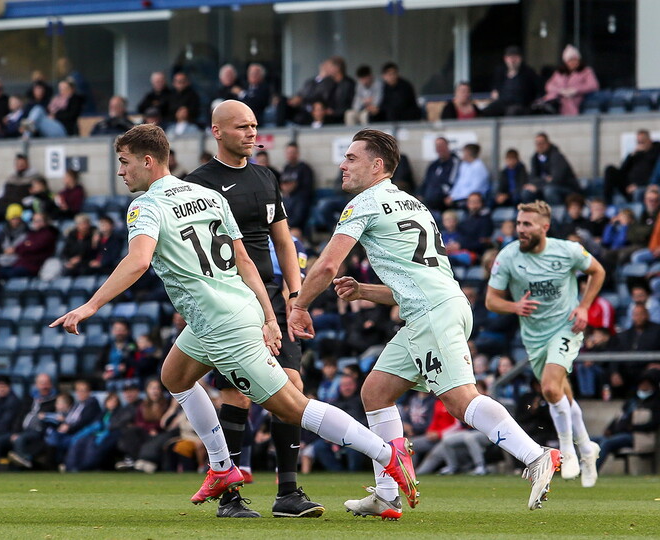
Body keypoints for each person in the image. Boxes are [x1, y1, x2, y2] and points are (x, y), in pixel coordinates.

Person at [51, 124, 419, 515]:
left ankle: (388, 453)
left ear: (147, 161)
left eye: (124, 162)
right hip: (231, 309)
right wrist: (268, 316)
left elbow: (138, 261)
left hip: (222, 325)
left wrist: (90, 305)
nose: (121, 171)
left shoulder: (146, 206)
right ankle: (222, 468)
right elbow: (244, 260)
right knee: (174, 376)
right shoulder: (207, 195)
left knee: (293, 407)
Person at [288, 129, 561, 519]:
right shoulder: (413, 203)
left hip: (432, 313)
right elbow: (414, 281)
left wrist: (299, 304)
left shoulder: (364, 202)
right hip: (439, 306)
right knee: (375, 392)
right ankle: (387, 496)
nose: (342, 165)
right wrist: (364, 291)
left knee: (460, 399)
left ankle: (535, 455)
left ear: (376, 165)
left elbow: (328, 265)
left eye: (351, 158)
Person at [184, 100, 322, 518]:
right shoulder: (198, 184)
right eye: (242, 127)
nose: (251, 134)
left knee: (292, 385)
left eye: (254, 126)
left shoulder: (265, 177)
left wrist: (295, 296)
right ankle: (229, 496)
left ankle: (288, 494)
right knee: (237, 394)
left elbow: (283, 240)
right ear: (217, 131)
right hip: (230, 301)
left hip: (273, 297)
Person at [485, 200, 607, 488]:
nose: (521, 229)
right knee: (560, 392)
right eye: (519, 223)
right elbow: (491, 300)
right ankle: (587, 447)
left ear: (544, 227)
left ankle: (567, 451)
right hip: (535, 336)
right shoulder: (508, 256)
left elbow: (598, 271)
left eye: (527, 224)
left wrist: (584, 307)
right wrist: (515, 307)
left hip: (566, 327)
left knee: (550, 388)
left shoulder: (567, 251)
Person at [482, 46, 541, 117]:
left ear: (520, 59)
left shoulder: (528, 73)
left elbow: (537, 90)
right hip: (503, 102)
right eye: (510, 58)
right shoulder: (500, 72)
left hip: (520, 104)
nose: (512, 61)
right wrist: (495, 90)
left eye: (515, 58)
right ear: (505, 59)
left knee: (512, 112)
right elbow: (495, 87)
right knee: (487, 111)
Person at [542, 45, 599, 117]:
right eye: (570, 60)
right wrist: (561, 91)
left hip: (576, 100)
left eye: (575, 59)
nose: (573, 62)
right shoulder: (559, 73)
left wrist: (575, 90)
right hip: (557, 102)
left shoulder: (586, 71)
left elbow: (593, 85)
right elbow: (549, 86)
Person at [604, 130, 660, 203]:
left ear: (649, 140)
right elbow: (622, 170)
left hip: (642, 186)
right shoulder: (635, 154)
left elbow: (654, 176)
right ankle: (607, 203)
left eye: (643, 142)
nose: (641, 144)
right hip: (628, 185)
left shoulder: (656, 151)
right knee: (610, 169)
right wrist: (631, 155)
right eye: (638, 142)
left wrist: (639, 185)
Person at [529, 132, 581, 205]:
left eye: (542, 143)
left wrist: (539, 185)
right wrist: (544, 181)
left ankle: (557, 211)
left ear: (548, 143)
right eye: (537, 143)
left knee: (549, 191)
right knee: (528, 192)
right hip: (546, 187)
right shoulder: (535, 158)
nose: (539, 146)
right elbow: (532, 178)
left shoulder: (557, 156)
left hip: (567, 188)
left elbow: (557, 179)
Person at [420, 137, 459, 212]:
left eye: (441, 146)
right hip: (428, 200)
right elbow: (425, 182)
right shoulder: (433, 165)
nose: (439, 148)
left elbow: (451, 182)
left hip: (443, 201)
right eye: (437, 146)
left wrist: (445, 194)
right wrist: (419, 194)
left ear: (447, 146)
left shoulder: (454, 162)